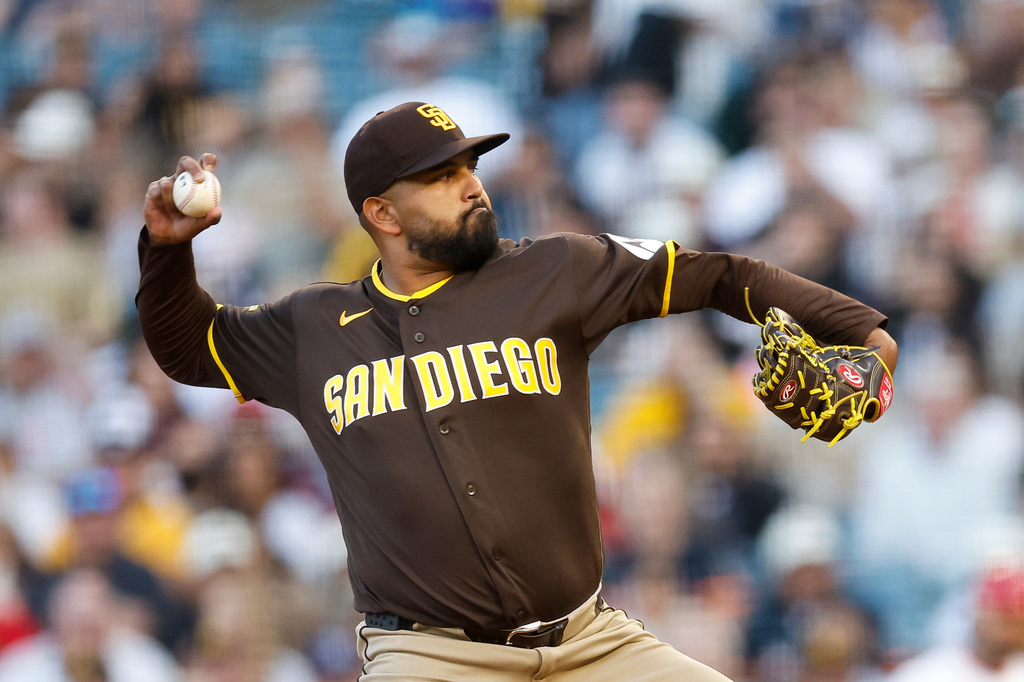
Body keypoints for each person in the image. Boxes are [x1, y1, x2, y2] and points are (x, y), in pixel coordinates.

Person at [137, 101, 898, 680]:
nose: (471, 186)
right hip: (430, 657)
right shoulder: (311, 327)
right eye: (442, 177)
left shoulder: (553, 270)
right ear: (381, 213)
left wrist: (863, 332)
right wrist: (166, 253)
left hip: (590, 640)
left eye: (469, 167)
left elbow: (722, 275)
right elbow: (187, 346)